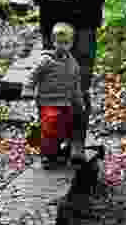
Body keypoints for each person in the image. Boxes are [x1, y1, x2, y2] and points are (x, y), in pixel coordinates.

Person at [22, 0, 120, 164]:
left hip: (84, 27)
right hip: (51, 28)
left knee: (80, 85)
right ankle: (52, 144)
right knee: (49, 85)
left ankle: (77, 141)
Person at [21, 22, 85, 170]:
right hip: (47, 101)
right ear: (53, 42)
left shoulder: (73, 65)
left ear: (71, 44)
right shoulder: (45, 61)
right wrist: (28, 88)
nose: (62, 46)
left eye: (66, 43)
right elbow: (33, 75)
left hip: (65, 103)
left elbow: (76, 86)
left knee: (64, 128)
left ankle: (58, 151)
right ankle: (48, 156)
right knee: (50, 125)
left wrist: (78, 101)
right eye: (59, 42)